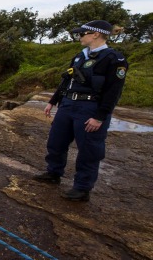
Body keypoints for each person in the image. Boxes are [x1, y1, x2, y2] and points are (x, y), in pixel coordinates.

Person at [33, 20, 128, 202]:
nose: (79, 37)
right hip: (68, 105)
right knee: (56, 141)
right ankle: (53, 172)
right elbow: (67, 80)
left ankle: (82, 188)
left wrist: (100, 117)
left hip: (90, 108)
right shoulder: (80, 56)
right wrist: (53, 101)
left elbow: (113, 92)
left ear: (95, 34)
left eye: (82, 34)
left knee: (89, 150)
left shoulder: (114, 59)